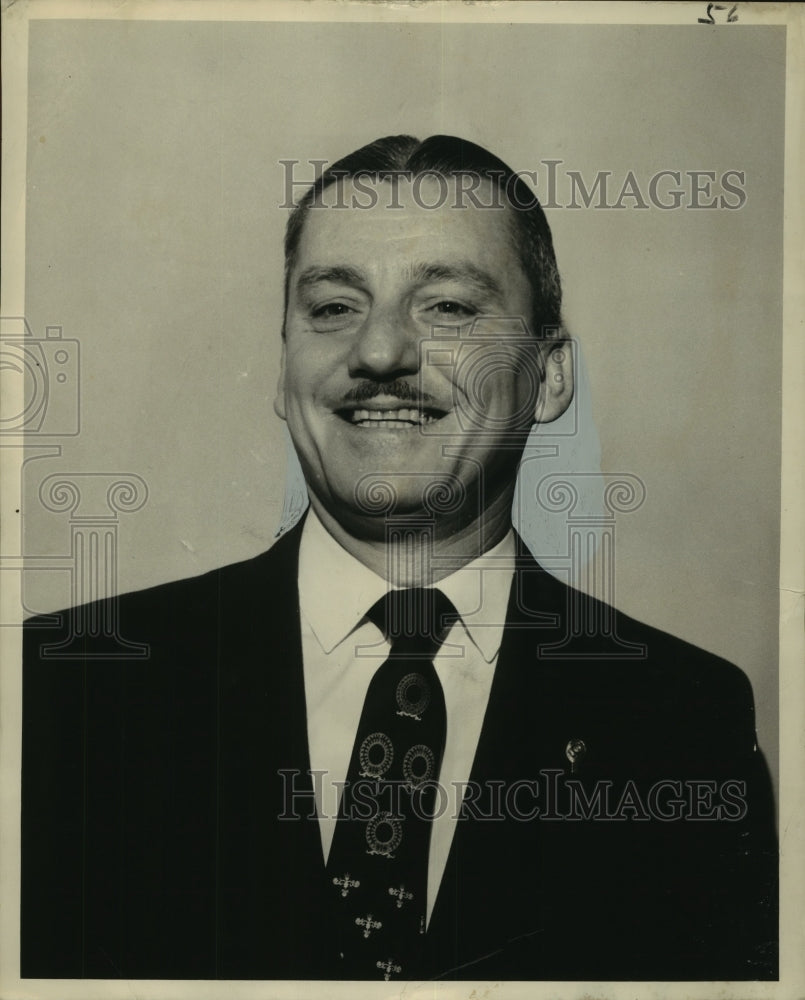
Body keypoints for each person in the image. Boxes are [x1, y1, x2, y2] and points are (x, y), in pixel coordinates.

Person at [21, 135, 777, 982]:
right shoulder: (64, 692)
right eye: (333, 308)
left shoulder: (681, 724)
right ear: (281, 367)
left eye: (446, 307)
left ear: (549, 375)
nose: (379, 353)